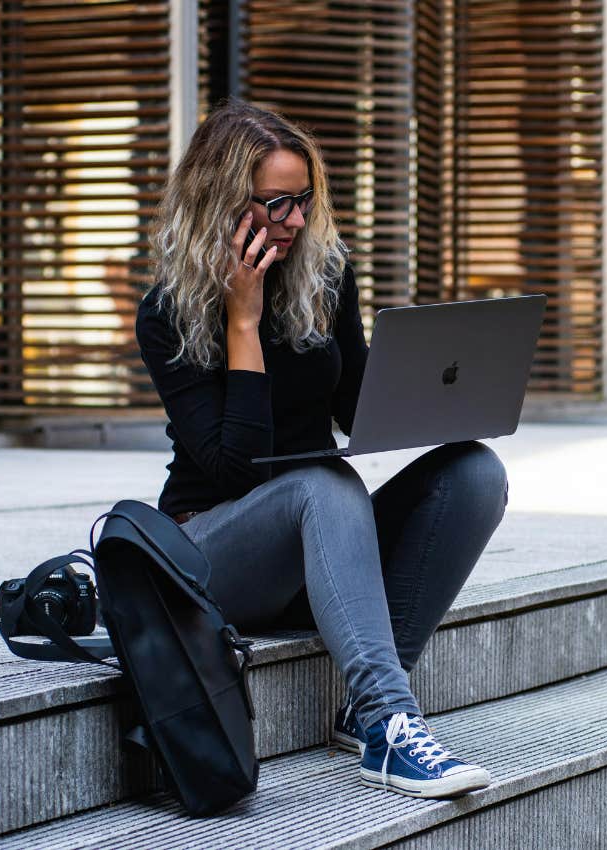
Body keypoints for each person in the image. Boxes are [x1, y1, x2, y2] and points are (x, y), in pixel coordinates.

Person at [136, 98, 508, 800]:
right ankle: (389, 725)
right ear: (222, 203)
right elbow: (233, 469)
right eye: (278, 205)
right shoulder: (167, 314)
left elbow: (355, 410)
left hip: (316, 552)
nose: (299, 221)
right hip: (213, 558)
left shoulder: (324, 276)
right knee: (324, 484)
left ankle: (361, 707)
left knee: (474, 474)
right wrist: (242, 321)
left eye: (304, 200)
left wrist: (445, 393)